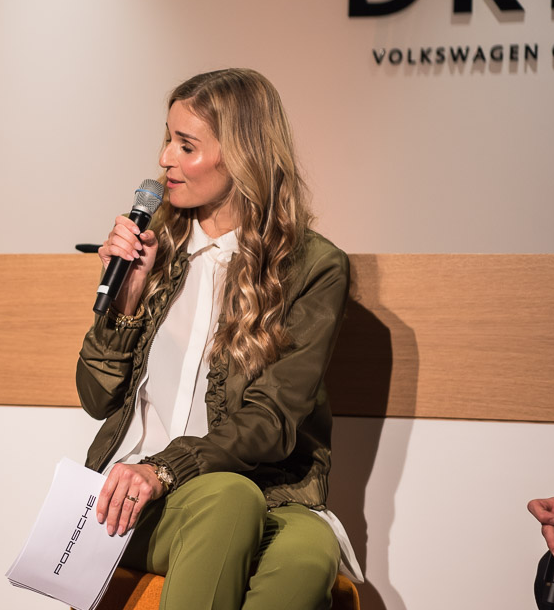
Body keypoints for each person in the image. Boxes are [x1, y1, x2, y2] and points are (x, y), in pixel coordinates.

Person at [76, 68, 360, 609]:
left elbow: (272, 423)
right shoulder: (153, 247)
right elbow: (95, 398)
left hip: (267, 489)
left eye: (186, 145)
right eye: (167, 139)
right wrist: (127, 302)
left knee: (310, 554)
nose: (164, 159)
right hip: (139, 495)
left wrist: (169, 467)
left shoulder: (313, 266)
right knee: (227, 500)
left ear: (244, 154)